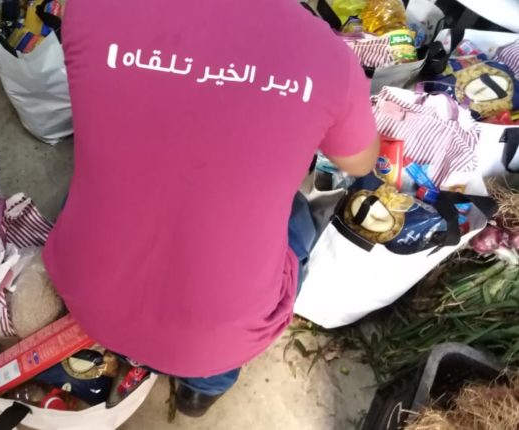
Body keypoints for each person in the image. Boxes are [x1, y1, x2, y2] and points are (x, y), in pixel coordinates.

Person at [43, 0, 379, 417]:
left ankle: (140, 351)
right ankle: (201, 390)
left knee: (111, 173)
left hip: (87, 293)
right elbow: (360, 163)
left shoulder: (92, 8)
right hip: (214, 339)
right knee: (297, 213)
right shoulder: (330, 59)